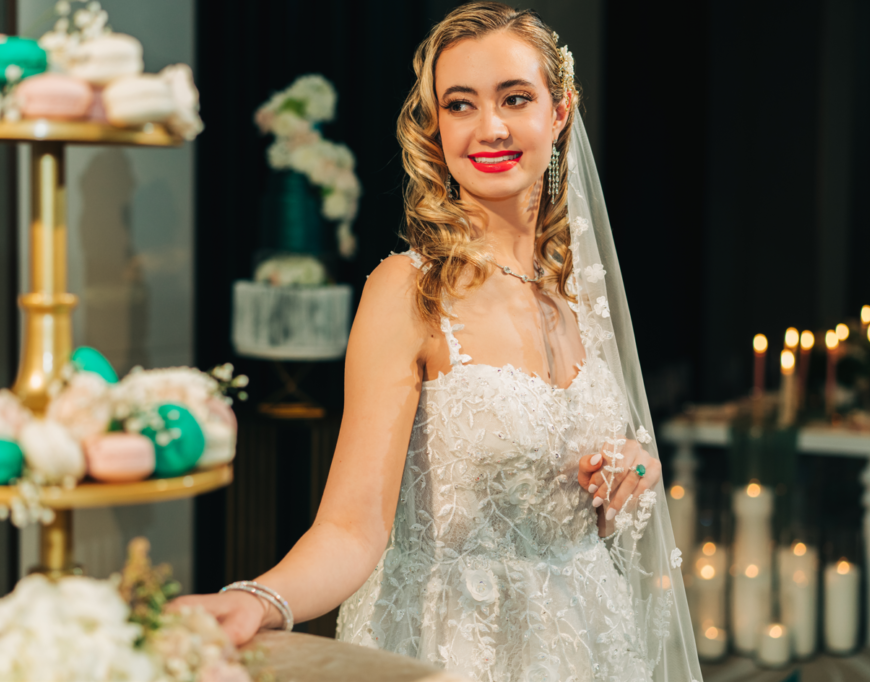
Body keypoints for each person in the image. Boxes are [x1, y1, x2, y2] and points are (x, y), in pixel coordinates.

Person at [175, 3, 702, 680]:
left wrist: (632, 468)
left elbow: (598, 484)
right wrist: (261, 599)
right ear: (436, 126)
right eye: (460, 105)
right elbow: (351, 527)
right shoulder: (409, 291)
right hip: (452, 644)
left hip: (586, 642)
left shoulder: (576, 293)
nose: (490, 127)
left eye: (515, 98)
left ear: (560, 111)